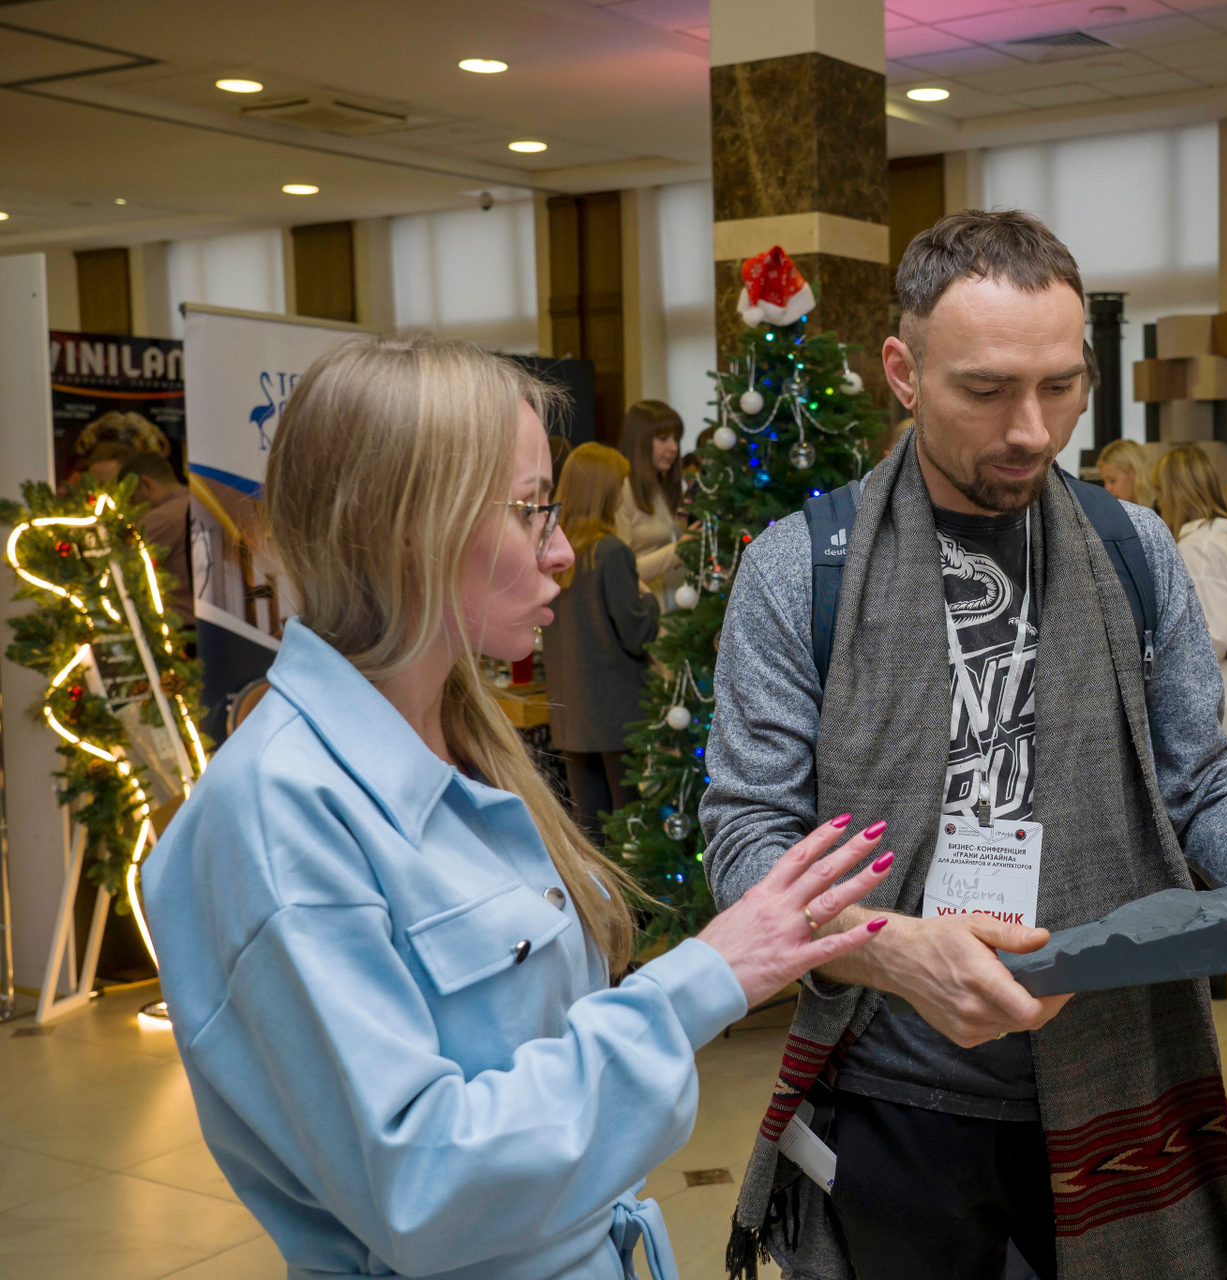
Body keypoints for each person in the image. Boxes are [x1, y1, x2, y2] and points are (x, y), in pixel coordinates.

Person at [703, 210, 1227, 1280]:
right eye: (986, 390)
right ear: (903, 371)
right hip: (893, 1094)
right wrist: (889, 947)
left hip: (1119, 1074)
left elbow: (1197, 777)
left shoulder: (1131, 548)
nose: (1031, 429)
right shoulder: (801, 571)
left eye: (1061, 387)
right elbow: (748, 840)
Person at [142, 334, 899, 1280]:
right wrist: (705, 979)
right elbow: (425, 1185)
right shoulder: (279, 814)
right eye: (532, 511)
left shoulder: (466, 740)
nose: (561, 551)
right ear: (410, 526)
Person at [546, 442, 662, 835]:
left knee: (589, 828)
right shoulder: (611, 552)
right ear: (605, 491)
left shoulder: (556, 555)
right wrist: (650, 602)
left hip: (572, 714)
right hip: (620, 714)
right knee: (630, 829)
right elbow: (636, 635)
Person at [1151, 444, 1227, 750]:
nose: (1158, 502)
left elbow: (1212, 634)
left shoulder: (1198, 548)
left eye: (1160, 491)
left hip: (1208, 683)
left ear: (1176, 494)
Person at [615, 400, 687, 595]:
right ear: (640, 441)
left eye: (676, 439)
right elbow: (620, 571)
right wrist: (680, 548)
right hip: (643, 604)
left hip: (675, 603)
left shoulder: (665, 488)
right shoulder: (621, 489)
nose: (673, 448)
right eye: (663, 439)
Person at [119, 451, 194, 622]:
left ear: (146, 485)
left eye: (132, 499)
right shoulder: (199, 504)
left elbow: (121, 562)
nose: (133, 508)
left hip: (177, 621)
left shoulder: (160, 518)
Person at [1095, 437, 1153, 507]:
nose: (1106, 489)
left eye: (1112, 481)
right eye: (1104, 482)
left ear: (1134, 472)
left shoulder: (1158, 511)